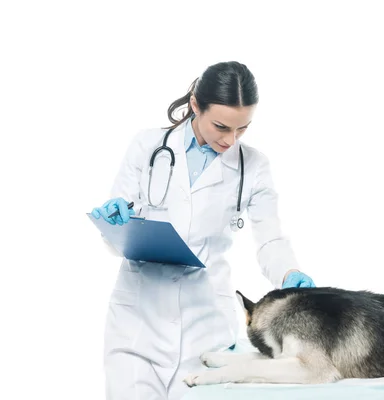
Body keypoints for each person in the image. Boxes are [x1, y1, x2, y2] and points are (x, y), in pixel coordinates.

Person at [91, 61, 315, 400]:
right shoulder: (147, 145)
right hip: (137, 323)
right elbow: (116, 232)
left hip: (206, 325)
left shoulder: (254, 166)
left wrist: (289, 272)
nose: (231, 140)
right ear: (196, 105)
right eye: (221, 127)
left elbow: (270, 238)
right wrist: (113, 221)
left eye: (242, 129)